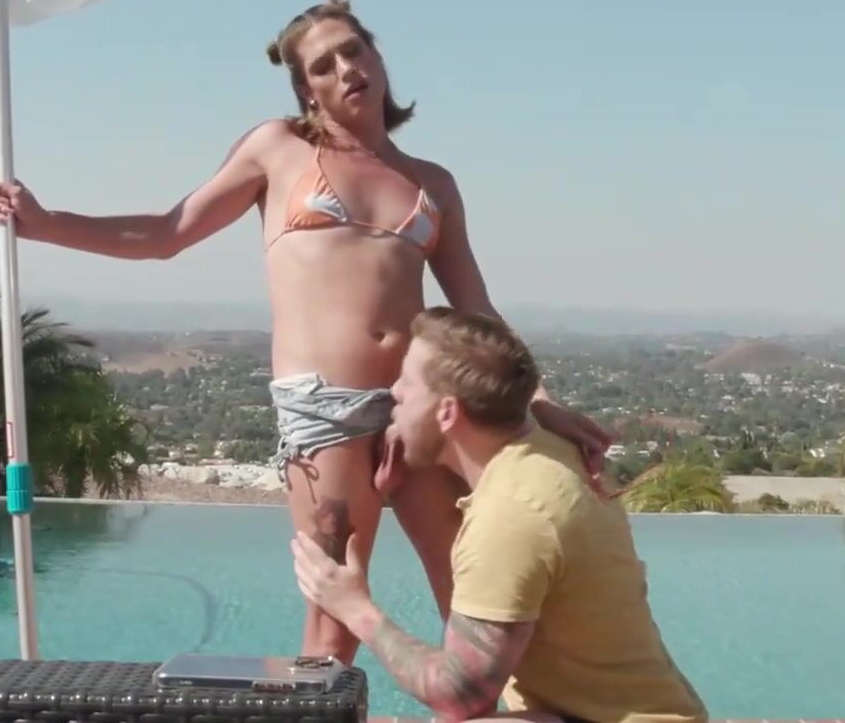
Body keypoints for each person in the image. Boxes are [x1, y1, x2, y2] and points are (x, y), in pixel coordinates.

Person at [0, 0, 612, 663]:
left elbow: (477, 312)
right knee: (334, 620)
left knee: (469, 600)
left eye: (353, 51)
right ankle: (316, 709)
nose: (345, 69)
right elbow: (169, 232)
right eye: (322, 66)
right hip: (326, 408)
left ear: (377, 56)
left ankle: (486, 708)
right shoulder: (278, 150)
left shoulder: (433, 184)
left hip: (422, 409)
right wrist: (47, 225)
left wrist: (542, 402)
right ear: (306, 89)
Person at [292, 306, 707, 723]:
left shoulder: (510, 517)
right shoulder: (552, 453)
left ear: (448, 413)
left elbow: (458, 696)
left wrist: (355, 608)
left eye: (407, 385)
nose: (393, 393)